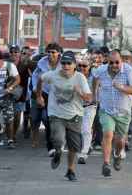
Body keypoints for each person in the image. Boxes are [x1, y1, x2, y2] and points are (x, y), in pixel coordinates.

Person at [36, 51, 92, 181]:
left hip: (75, 115)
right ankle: (58, 152)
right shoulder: (53, 75)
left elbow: (89, 98)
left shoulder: (80, 78)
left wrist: (80, 92)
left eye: (69, 63)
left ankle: (70, 170)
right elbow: (40, 79)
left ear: (74, 65)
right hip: (56, 114)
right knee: (58, 139)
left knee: (74, 147)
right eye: (64, 63)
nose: (66, 66)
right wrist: (39, 96)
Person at [93, 50, 132, 177]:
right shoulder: (101, 70)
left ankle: (117, 155)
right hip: (106, 109)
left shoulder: (128, 71)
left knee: (120, 141)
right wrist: (94, 95)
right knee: (107, 134)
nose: (114, 65)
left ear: (121, 61)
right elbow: (95, 79)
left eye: (117, 62)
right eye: (111, 62)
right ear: (107, 61)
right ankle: (106, 163)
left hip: (123, 111)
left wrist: (121, 87)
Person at [31, 43, 62, 155]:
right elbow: (35, 76)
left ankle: (54, 143)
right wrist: (35, 89)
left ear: (58, 53)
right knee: (40, 118)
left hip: (58, 94)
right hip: (43, 92)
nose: (50, 54)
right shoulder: (41, 63)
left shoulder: (64, 63)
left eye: (53, 52)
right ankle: (50, 144)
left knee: (53, 119)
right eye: (48, 52)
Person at [76, 59, 97, 164]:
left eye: (84, 66)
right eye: (79, 65)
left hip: (90, 107)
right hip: (76, 107)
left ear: (89, 67)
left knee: (86, 129)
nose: (82, 68)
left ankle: (84, 153)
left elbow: (93, 95)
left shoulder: (94, 78)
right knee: (78, 130)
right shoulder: (75, 76)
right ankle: (87, 146)